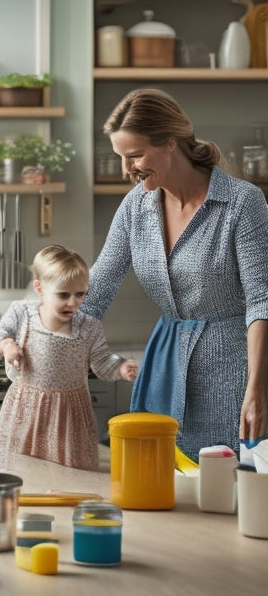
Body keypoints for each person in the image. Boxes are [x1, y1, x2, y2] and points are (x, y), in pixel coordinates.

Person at [81, 87, 268, 460]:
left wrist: (257, 389)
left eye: (134, 156)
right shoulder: (136, 206)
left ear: (170, 141)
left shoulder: (241, 203)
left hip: (234, 372)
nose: (126, 169)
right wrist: (40, 330)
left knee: (228, 491)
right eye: (121, 157)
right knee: (161, 483)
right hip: (165, 369)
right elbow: (98, 288)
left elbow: (261, 301)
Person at [0, 244, 138, 471]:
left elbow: (102, 361)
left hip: (70, 416)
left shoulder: (89, 326)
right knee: (22, 472)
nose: (73, 303)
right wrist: (6, 345)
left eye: (81, 294)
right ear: (39, 288)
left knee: (67, 474)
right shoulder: (22, 313)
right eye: (63, 295)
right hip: (26, 411)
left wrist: (121, 368)